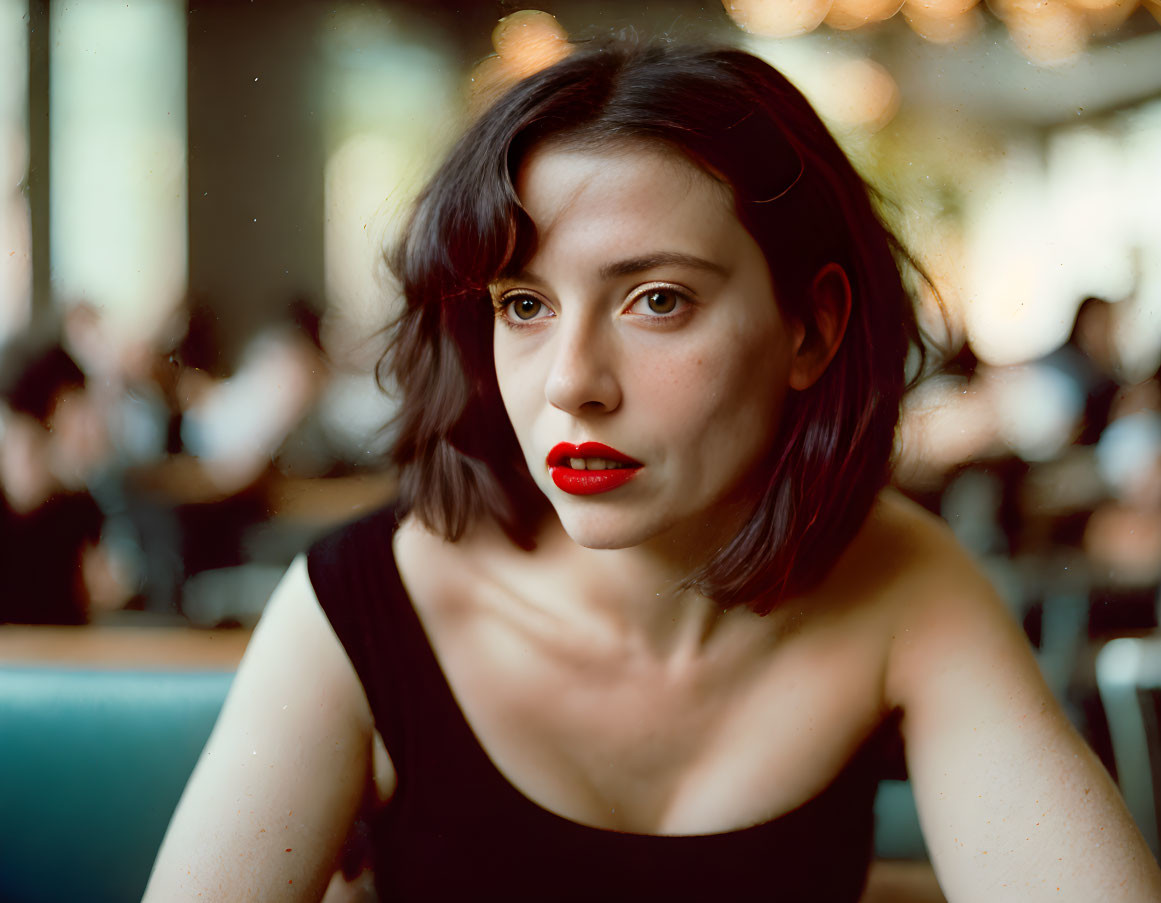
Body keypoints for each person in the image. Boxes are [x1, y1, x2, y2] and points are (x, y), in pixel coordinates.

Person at [144, 37, 1161, 902]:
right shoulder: (365, 607)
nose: (572, 385)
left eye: (658, 301)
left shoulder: (902, 585)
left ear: (813, 329)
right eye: (524, 306)